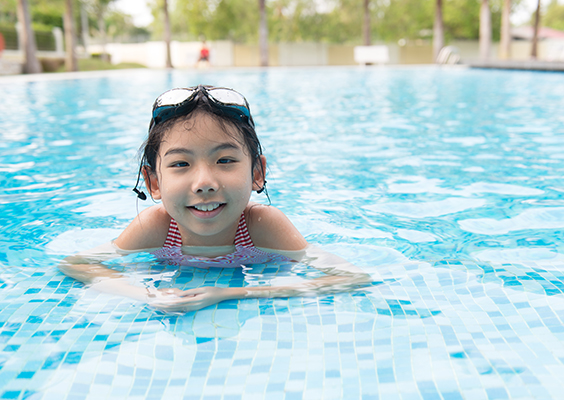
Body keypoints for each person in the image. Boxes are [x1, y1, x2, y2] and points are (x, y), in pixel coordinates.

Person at [59, 85, 371, 313]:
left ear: (257, 173)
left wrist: (232, 293)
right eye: (181, 164)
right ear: (153, 182)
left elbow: (350, 277)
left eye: (224, 161)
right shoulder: (156, 226)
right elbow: (77, 264)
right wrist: (146, 295)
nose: (204, 183)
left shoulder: (262, 226)